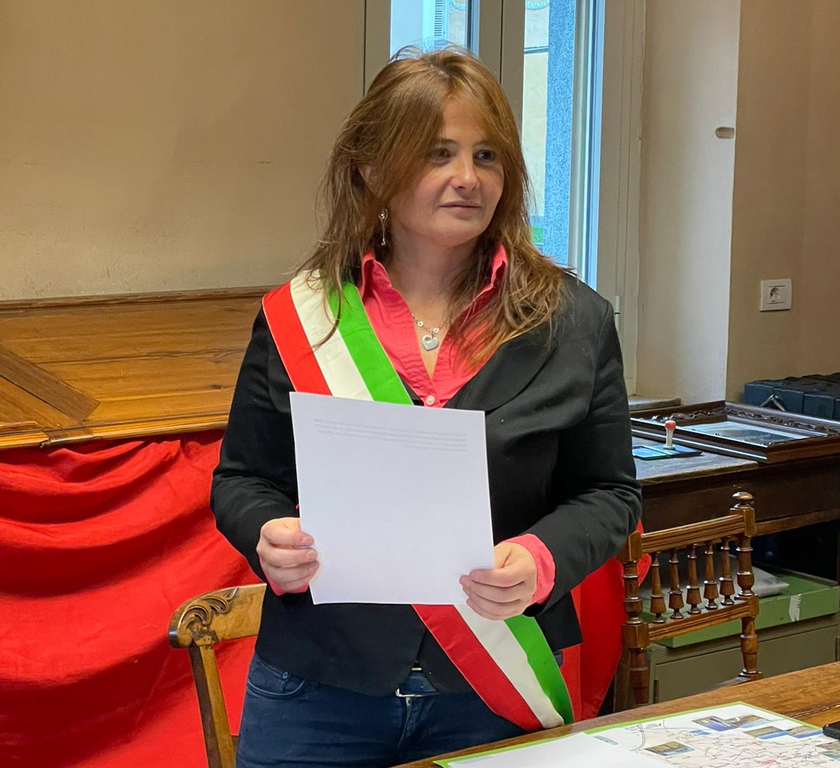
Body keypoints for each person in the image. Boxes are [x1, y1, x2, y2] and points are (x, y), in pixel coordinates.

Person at [211, 46, 641, 768]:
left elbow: (610, 492)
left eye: (486, 155)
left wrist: (539, 560)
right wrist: (267, 532)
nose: (468, 177)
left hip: (494, 688)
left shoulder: (576, 321)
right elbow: (243, 479)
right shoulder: (300, 316)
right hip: (319, 686)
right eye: (438, 153)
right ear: (373, 168)